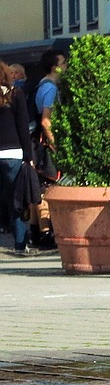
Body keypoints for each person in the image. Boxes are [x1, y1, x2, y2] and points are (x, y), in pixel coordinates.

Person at [0, 62, 35, 253]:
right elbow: (23, 126)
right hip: (13, 153)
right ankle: (20, 243)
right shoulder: (15, 94)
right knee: (16, 199)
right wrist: (28, 156)